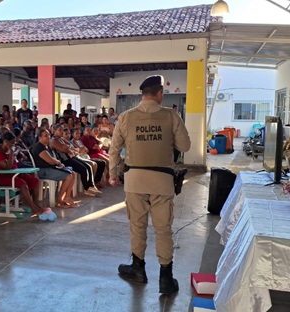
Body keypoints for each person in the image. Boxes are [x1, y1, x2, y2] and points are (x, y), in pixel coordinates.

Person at [108, 75, 190, 294]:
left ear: (142, 95)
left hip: (134, 181)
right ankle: (165, 277)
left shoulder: (126, 117)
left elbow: (114, 149)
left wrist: (112, 174)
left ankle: (138, 269)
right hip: (162, 183)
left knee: (137, 226)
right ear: (160, 94)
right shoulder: (171, 116)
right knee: (163, 229)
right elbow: (185, 145)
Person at [0, 133, 55, 219]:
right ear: (6, 142)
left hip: (15, 174)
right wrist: (12, 153)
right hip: (3, 177)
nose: (13, 145)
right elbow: (8, 167)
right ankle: (33, 208)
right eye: (12, 143)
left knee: (35, 180)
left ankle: (35, 204)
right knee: (23, 184)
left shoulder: (8, 151)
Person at [50, 124, 101, 197]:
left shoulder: (61, 139)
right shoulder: (53, 140)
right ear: (54, 131)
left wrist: (68, 147)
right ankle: (87, 188)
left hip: (71, 157)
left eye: (62, 130)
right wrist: (68, 148)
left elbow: (70, 146)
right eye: (59, 130)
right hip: (64, 161)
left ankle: (91, 186)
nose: (61, 132)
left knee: (88, 166)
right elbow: (64, 149)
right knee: (83, 169)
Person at [31, 129, 78, 208]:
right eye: (45, 136)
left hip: (49, 169)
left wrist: (58, 163)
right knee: (69, 176)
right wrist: (59, 162)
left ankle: (67, 197)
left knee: (72, 173)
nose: (48, 137)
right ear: (40, 138)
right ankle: (59, 200)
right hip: (42, 171)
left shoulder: (46, 146)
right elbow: (50, 160)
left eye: (49, 135)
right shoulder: (38, 147)